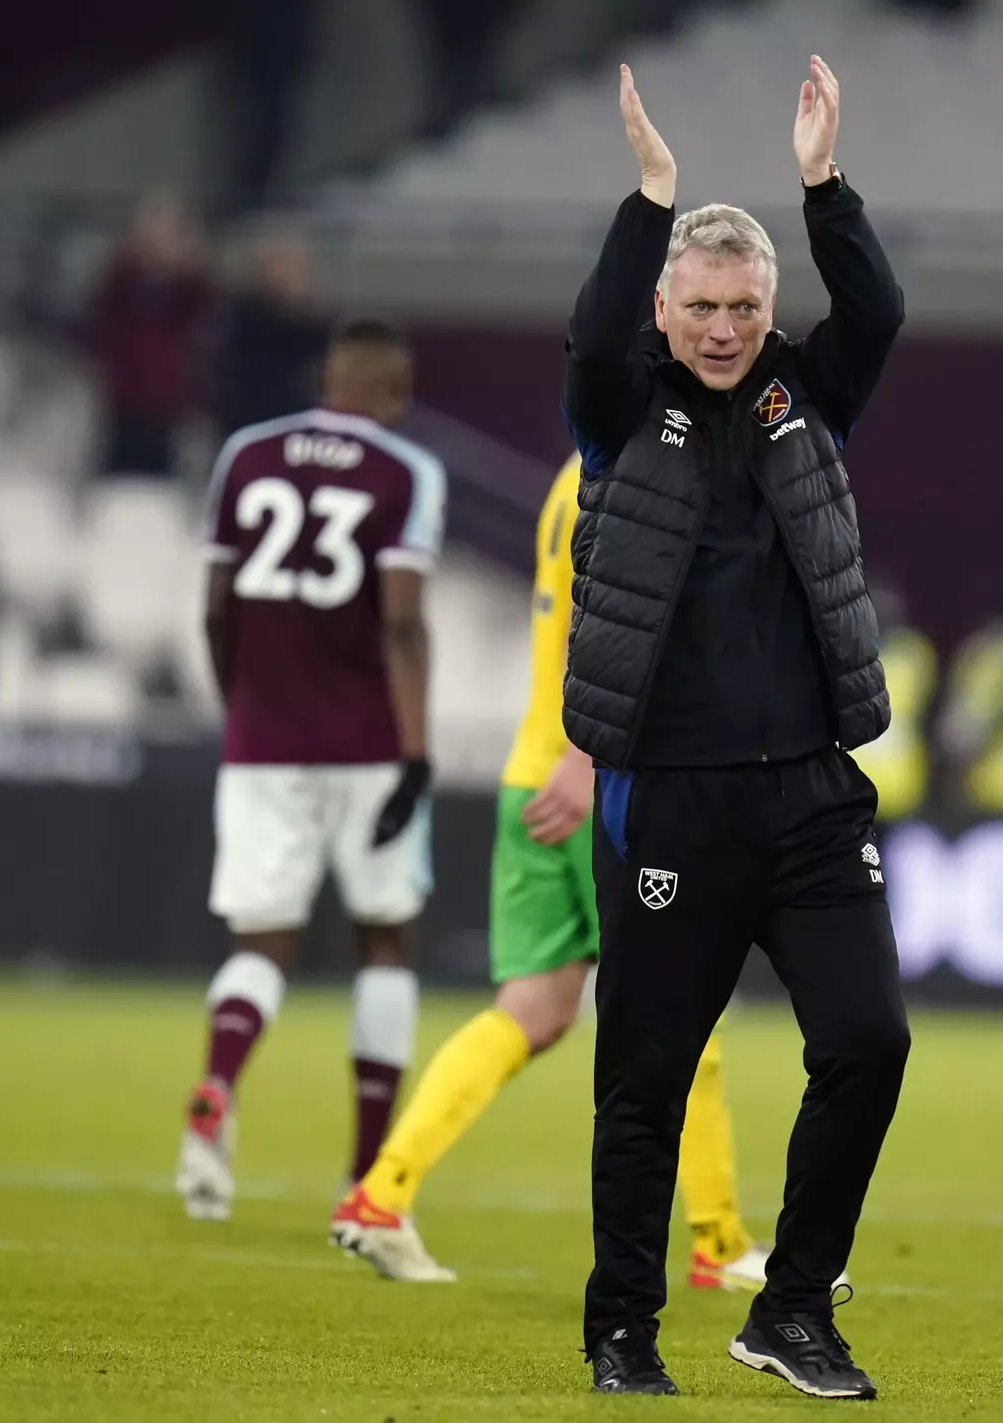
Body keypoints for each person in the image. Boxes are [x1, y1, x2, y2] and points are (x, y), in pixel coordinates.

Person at [564, 59, 907, 1399]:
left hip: (814, 797)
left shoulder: (804, 398)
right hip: (674, 799)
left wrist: (823, 183)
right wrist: (652, 195)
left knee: (870, 1043)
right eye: (700, 306)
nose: (721, 327)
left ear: (772, 310)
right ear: (668, 302)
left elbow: (875, 306)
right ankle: (620, 1331)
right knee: (643, 1079)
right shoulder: (616, 406)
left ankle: (794, 1306)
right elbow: (592, 336)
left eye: (744, 307)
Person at [331, 454, 789, 1293]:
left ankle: (381, 1194)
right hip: (600, 785)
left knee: (534, 1008)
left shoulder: (576, 473)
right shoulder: (646, 475)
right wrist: (589, 755)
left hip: (531, 774)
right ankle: (718, 1243)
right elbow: (606, 626)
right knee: (686, 1008)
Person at [175, 319, 445, 1233]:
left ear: (326, 376)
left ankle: (218, 1084)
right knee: (387, 942)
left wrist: (237, 703)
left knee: (261, 944)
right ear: (395, 389)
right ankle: (368, 1171)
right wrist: (417, 751)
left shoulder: (245, 456)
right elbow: (401, 624)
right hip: (369, 741)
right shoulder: (407, 473)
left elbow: (216, 606)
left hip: (261, 739)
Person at [90, 192, 215, 478]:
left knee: (159, 474)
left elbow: (202, 314)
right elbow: (102, 316)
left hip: (167, 395)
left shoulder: (187, 287)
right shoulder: (123, 279)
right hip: (124, 393)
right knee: (120, 471)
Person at [216, 232, 327, 435]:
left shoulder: (317, 330)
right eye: (276, 267)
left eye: (292, 269)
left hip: (299, 434)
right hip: (250, 427)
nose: (283, 277)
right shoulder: (242, 322)